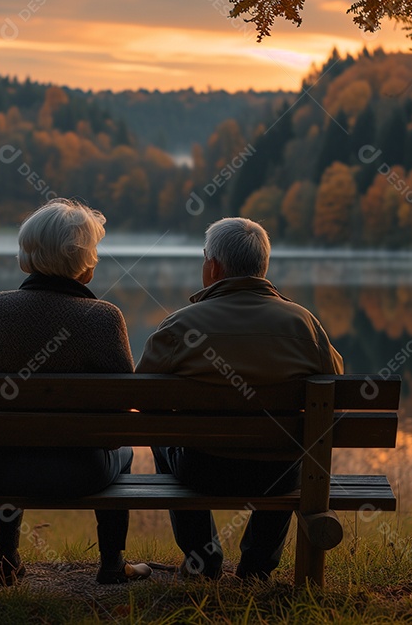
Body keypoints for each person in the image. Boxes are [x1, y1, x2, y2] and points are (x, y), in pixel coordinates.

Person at [136, 217, 343, 581]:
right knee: (292, 445)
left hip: (203, 470)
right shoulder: (304, 324)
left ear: (213, 266)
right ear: (263, 266)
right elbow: (336, 393)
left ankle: (202, 559)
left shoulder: (180, 326)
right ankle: (258, 565)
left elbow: (141, 396)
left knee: (162, 435)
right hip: (278, 474)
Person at [0, 198, 152, 586]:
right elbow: (124, 406)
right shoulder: (104, 318)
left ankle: (8, 559)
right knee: (125, 452)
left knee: (3, 434)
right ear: (85, 263)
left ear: (27, 255)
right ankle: (113, 563)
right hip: (80, 473)